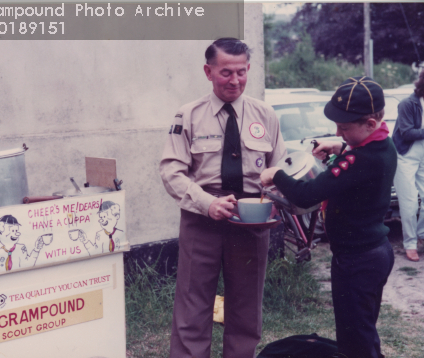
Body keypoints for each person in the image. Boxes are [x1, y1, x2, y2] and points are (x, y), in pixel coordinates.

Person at [159, 38, 286, 358]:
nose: (235, 81)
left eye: (242, 72)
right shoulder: (188, 115)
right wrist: (207, 203)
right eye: (226, 72)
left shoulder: (265, 114)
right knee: (193, 304)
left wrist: (277, 196)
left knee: (245, 307)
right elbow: (171, 171)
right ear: (208, 71)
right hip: (202, 216)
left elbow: (279, 166)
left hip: (251, 218)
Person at [261, 76, 396, 358]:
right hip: (372, 253)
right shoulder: (384, 146)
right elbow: (363, 154)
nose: (338, 132)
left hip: (356, 261)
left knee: (354, 340)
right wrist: (340, 146)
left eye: (344, 128)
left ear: (370, 124)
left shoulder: (360, 160)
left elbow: (306, 194)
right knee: (363, 330)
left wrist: (277, 174)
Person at [392, 71, 424, 262]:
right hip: (404, 155)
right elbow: (406, 132)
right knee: (410, 202)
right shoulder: (407, 103)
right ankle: (410, 244)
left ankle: (421, 234)